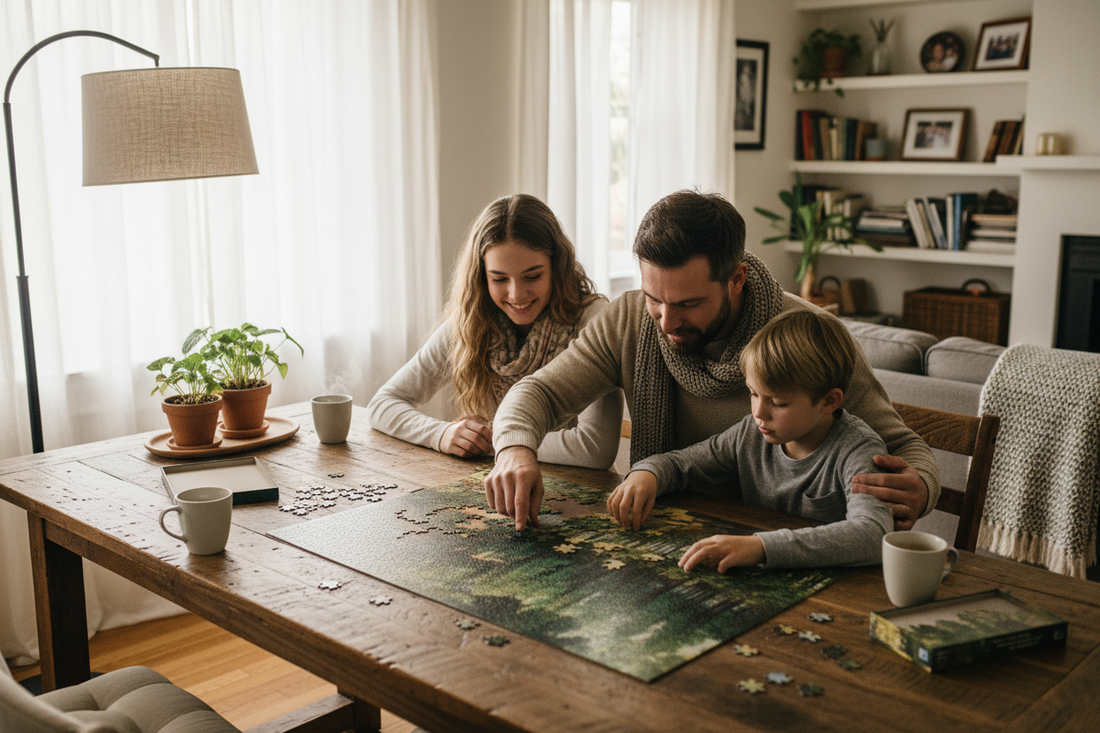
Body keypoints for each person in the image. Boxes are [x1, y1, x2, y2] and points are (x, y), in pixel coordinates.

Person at [484, 189, 938, 530]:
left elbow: (905, 448)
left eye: (687, 303)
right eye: (654, 299)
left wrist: (920, 485)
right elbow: (538, 392)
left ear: (736, 278)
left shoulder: (808, 336)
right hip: (661, 530)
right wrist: (515, 450)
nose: (665, 321)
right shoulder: (627, 318)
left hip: (780, 546)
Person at [608, 309, 893, 571]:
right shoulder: (751, 434)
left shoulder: (858, 449)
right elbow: (682, 463)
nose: (758, 413)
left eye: (778, 402)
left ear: (829, 401)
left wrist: (761, 547)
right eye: (753, 393)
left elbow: (872, 533)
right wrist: (647, 473)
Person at [368, 194, 623, 469]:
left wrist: (499, 439)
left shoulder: (594, 321)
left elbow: (594, 448)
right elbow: (383, 403)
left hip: (581, 493)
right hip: (491, 490)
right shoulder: (471, 321)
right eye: (499, 279)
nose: (516, 294)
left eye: (533, 276)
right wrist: (440, 434)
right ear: (481, 277)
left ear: (557, 267)